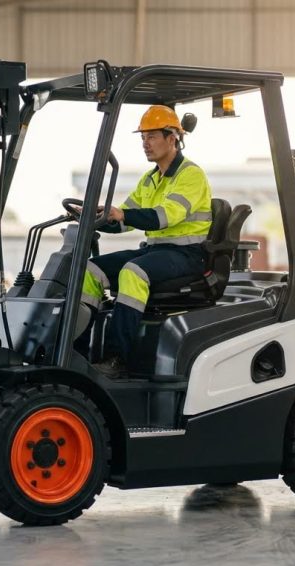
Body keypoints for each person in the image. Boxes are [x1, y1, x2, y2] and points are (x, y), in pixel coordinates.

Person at [79, 105, 212, 377]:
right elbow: (127, 219)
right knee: (89, 270)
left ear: (172, 137)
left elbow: (164, 217)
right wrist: (101, 216)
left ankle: (117, 358)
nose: (145, 144)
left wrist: (123, 213)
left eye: (151, 137)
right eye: (143, 138)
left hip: (188, 255)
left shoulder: (190, 175)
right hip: (157, 251)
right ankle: (77, 352)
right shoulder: (150, 179)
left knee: (133, 272)